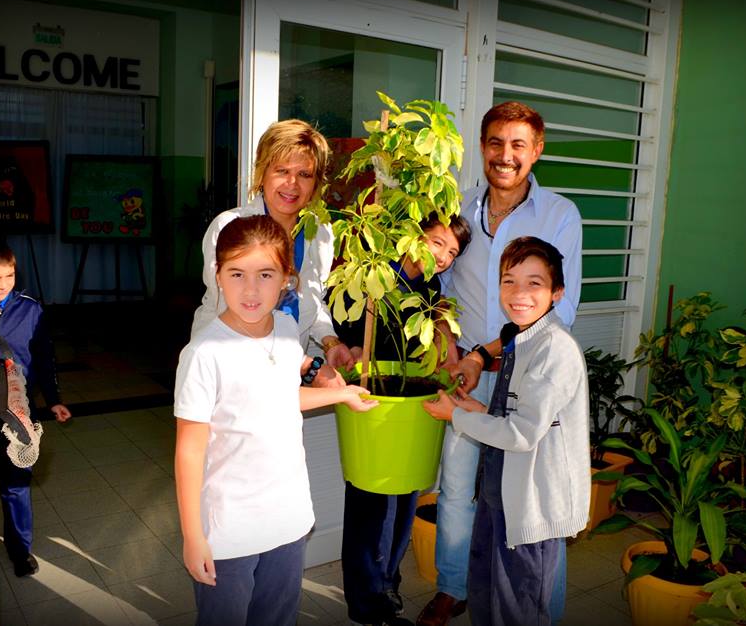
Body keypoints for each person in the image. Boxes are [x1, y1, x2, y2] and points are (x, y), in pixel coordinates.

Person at [417, 101, 582, 625]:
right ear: (482, 147)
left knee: (530, 502)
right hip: (467, 377)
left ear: (536, 151)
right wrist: (445, 340)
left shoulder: (560, 215)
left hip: (526, 378)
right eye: (494, 143)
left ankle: (540, 612)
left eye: (517, 145)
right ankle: (455, 586)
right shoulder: (459, 209)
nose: (504, 155)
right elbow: (435, 287)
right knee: (458, 487)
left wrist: (485, 352)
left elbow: (565, 307)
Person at [174, 215, 378, 626]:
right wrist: (193, 536)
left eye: (265, 274)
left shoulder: (285, 329)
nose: (250, 290)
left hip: (289, 519)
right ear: (217, 275)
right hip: (229, 530)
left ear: (287, 278)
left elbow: (280, 398)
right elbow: (189, 451)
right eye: (236, 273)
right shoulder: (204, 353)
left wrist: (340, 393)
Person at [334, 213, 471, 626]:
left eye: (452, 252)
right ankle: (367, 602)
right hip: (373, 397)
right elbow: (347, 324)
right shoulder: (378, 272)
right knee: (370, 503)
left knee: (405, 497)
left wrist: (447, 334)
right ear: (415, 236)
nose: (444, 257)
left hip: (408, 402)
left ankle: (387, 585)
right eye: (437, 243)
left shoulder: (429, 286)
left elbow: (432, 326)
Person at [190, 119, 353, 382]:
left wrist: (330, 341)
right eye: (281, 171)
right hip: (227, 367)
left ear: (316, 183)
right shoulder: (231, 228)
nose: (292, 184)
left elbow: (313, 297)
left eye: (304, 174)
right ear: (262, 173)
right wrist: (306, 367)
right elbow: (236, 311)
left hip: (290, 370)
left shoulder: (320, 232)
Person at [0, 238, 72, 577]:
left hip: (17, 410)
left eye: (9, 275)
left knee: (16, 483)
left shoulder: (30, 309)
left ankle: (20, 551)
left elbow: (44, 357)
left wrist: (54, 398)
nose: (3, 285)